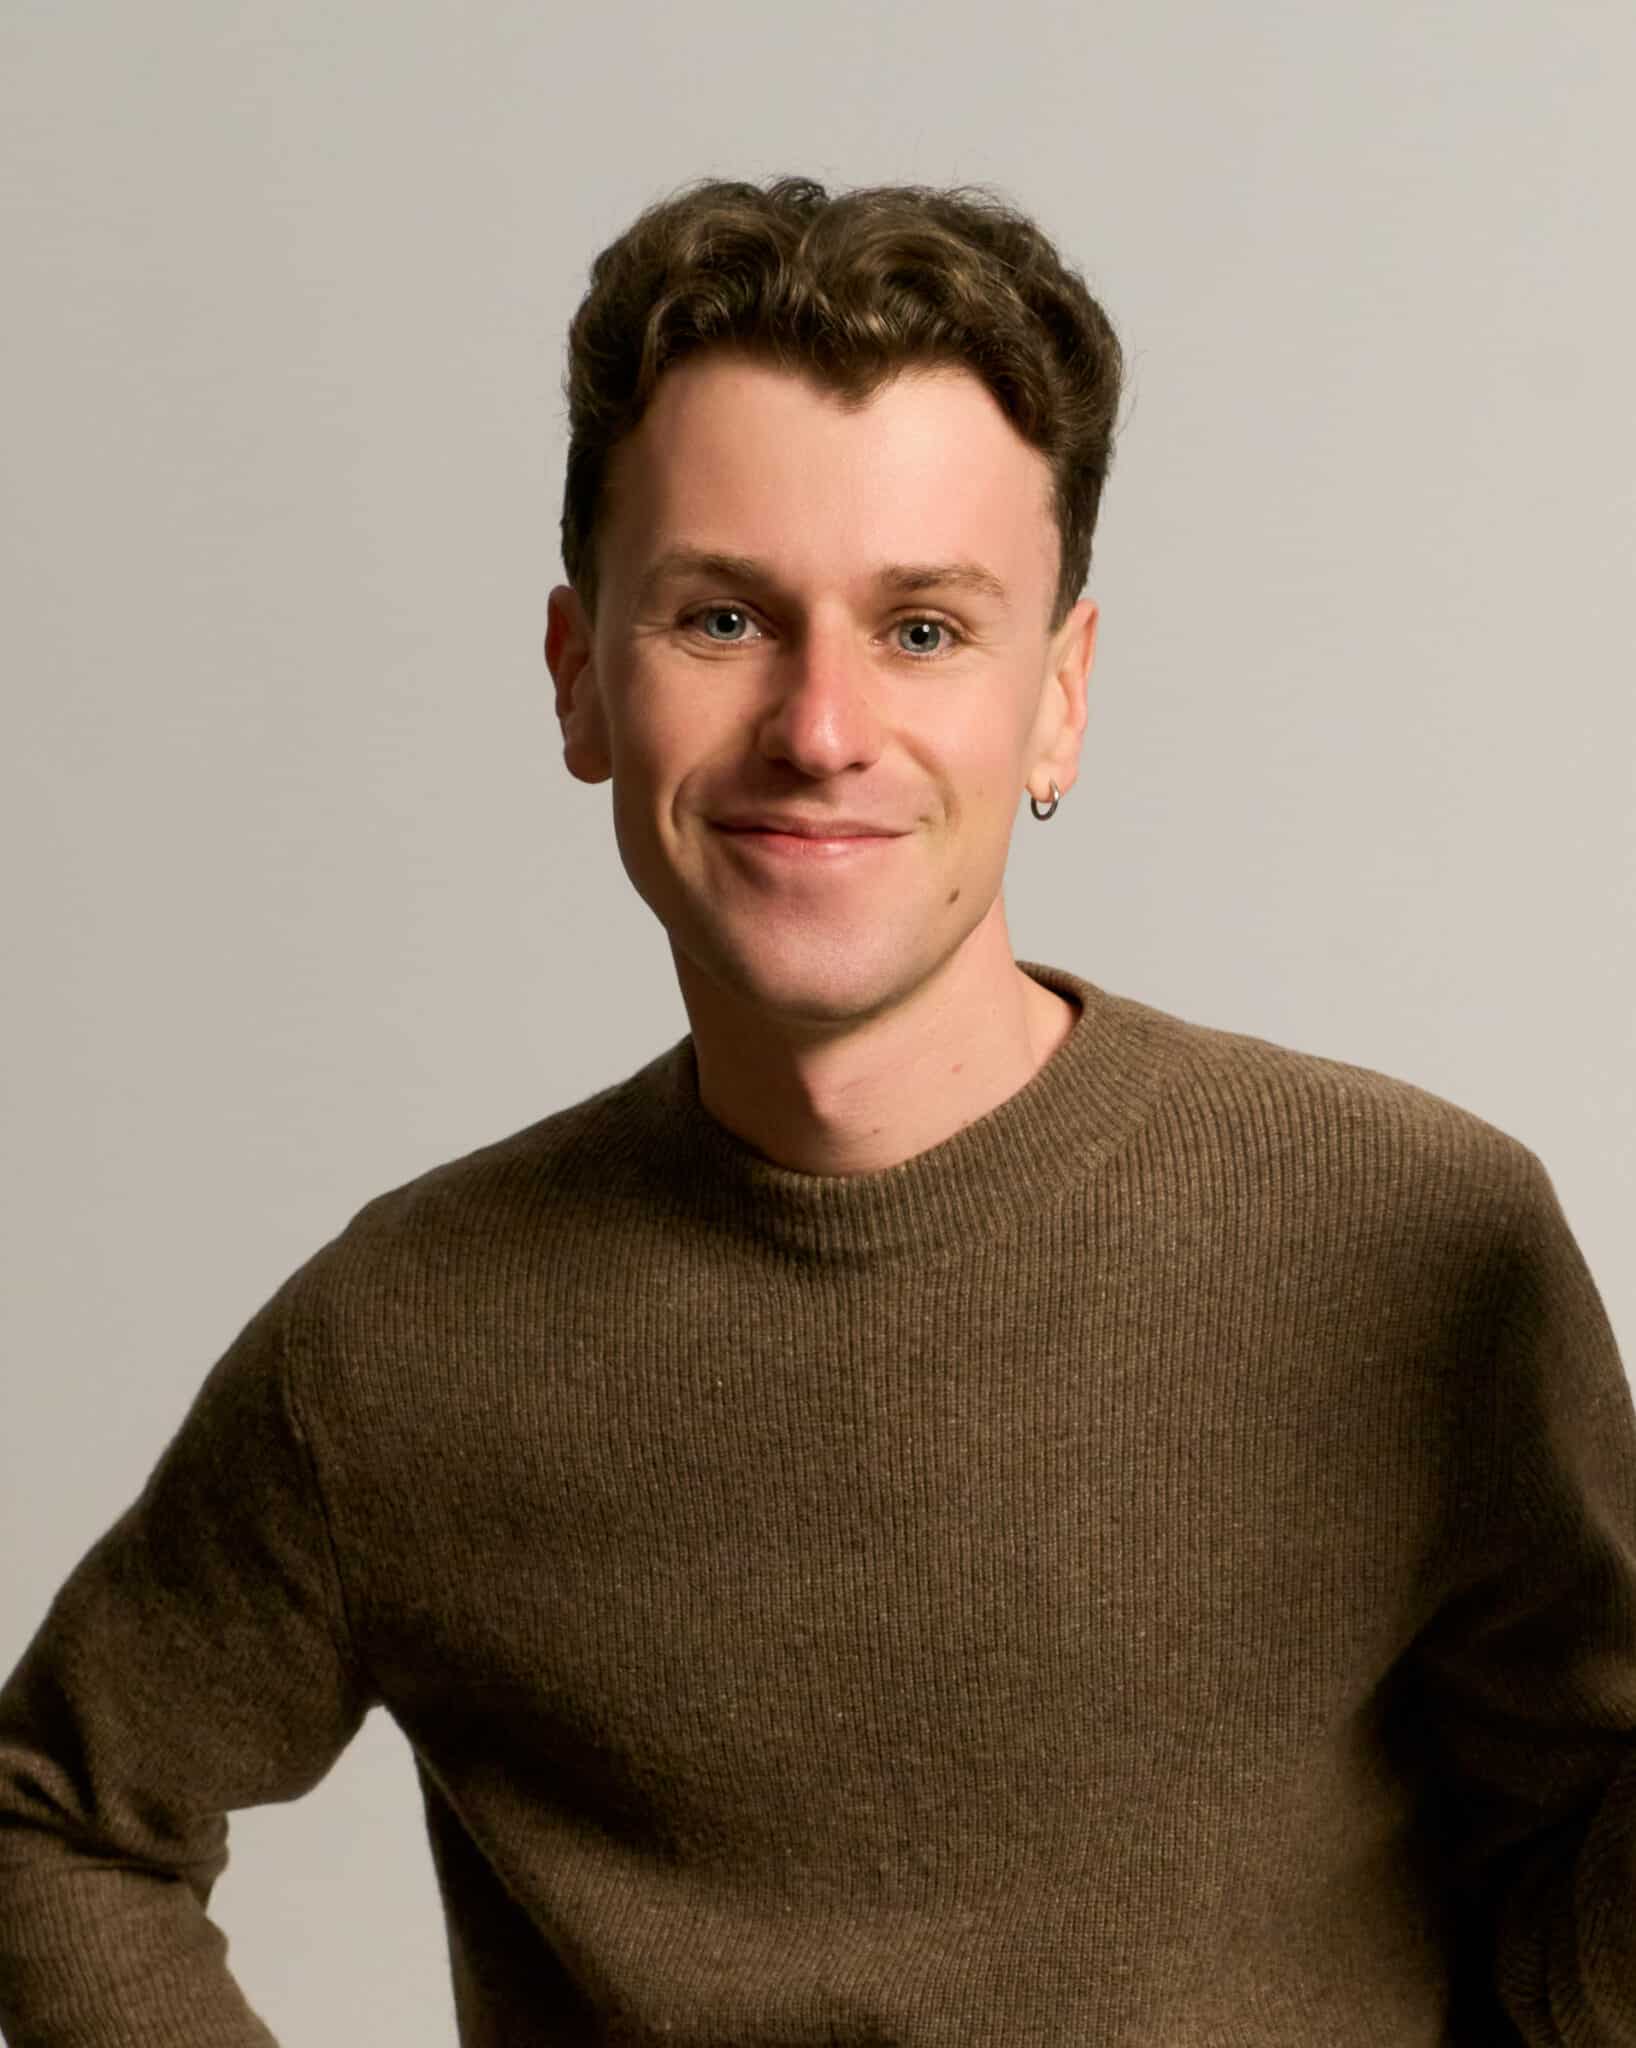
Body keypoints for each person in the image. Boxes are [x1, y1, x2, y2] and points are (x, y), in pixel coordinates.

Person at [1, 173, 1631, 2048]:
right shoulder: (402, 1344)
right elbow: (52, 1821)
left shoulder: (1413, 1242)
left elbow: (1573, 1934)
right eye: (721, 618)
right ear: (578, 675)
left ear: (1061, 703)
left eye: (928, 628)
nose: (825, 726)